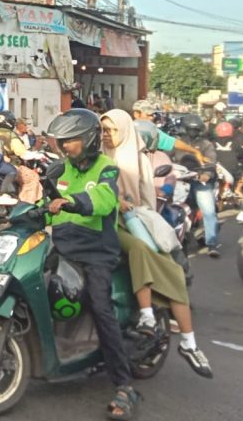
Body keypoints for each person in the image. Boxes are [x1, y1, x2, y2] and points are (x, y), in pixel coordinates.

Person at [100, 110, 213, 379]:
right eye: (103, 130)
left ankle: (188, 342)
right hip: (106, 222)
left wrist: (134, 211)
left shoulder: (138, 156)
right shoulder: (97, 156)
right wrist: (116, 202)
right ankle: (148, 314)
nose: (106, 135)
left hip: (134, 219)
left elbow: (146, 196)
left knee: (172, 270)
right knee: (142, 251)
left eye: (112, 130)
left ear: (125, 132)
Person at [44, 108, 141, 420]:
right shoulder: (60, 169)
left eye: (69, 140)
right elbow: (46, 202)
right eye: (61, 141)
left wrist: (74, 202)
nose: (64, 146)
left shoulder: (106, 168)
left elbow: (105, 199)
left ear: (87, 139)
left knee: (101, 309)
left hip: (96, 252)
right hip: (62, 246)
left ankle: (124, 385)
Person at [181, 114, 222, 257]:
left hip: (200, 181)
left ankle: (212, 243)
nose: (192, 132)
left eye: (195, 129)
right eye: (190, 129)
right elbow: (167, 158)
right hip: (180, 181)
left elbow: (211, 161)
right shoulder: (178, 142)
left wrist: (206, 174)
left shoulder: (206, 144)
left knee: (209, 212)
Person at [131, 101, 206, 164]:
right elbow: (174, 143)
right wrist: (195, 152)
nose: (152, 117)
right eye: (148, 115)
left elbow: (172, 142)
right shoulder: (147, 130)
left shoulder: (129, 127)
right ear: (136, 114)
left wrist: (195, 151)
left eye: (153, 115)